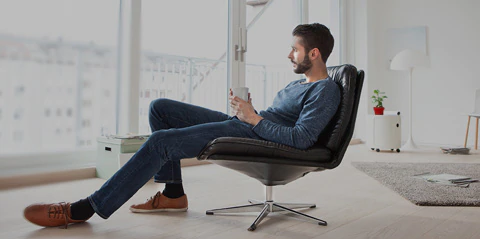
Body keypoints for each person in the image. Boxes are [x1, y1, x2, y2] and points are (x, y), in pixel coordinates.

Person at [23, 23, 341, 228]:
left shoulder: (325, 90)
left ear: (314, 53)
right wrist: (248, 110)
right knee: (160, 108)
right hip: (248, 125)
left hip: (254, 135)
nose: (289, 54)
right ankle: (173, 193)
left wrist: (253, 119)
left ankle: (86, 209)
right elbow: (276, 119)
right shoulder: (296, 86)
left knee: (162, 141)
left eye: (295, 49)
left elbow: (300, 139)